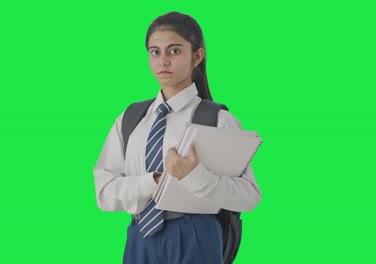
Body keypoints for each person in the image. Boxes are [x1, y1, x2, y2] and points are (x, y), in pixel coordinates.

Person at [93, 11, 262, 264]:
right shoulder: (131, 119)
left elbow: (249, 197)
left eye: (174, 51)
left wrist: (194, 176)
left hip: (196, 235)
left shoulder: (217, 120)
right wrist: (156, 181)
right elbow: (104, 192)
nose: (163, 61)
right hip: (140, 236)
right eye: (155, 52)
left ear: (197, 56)